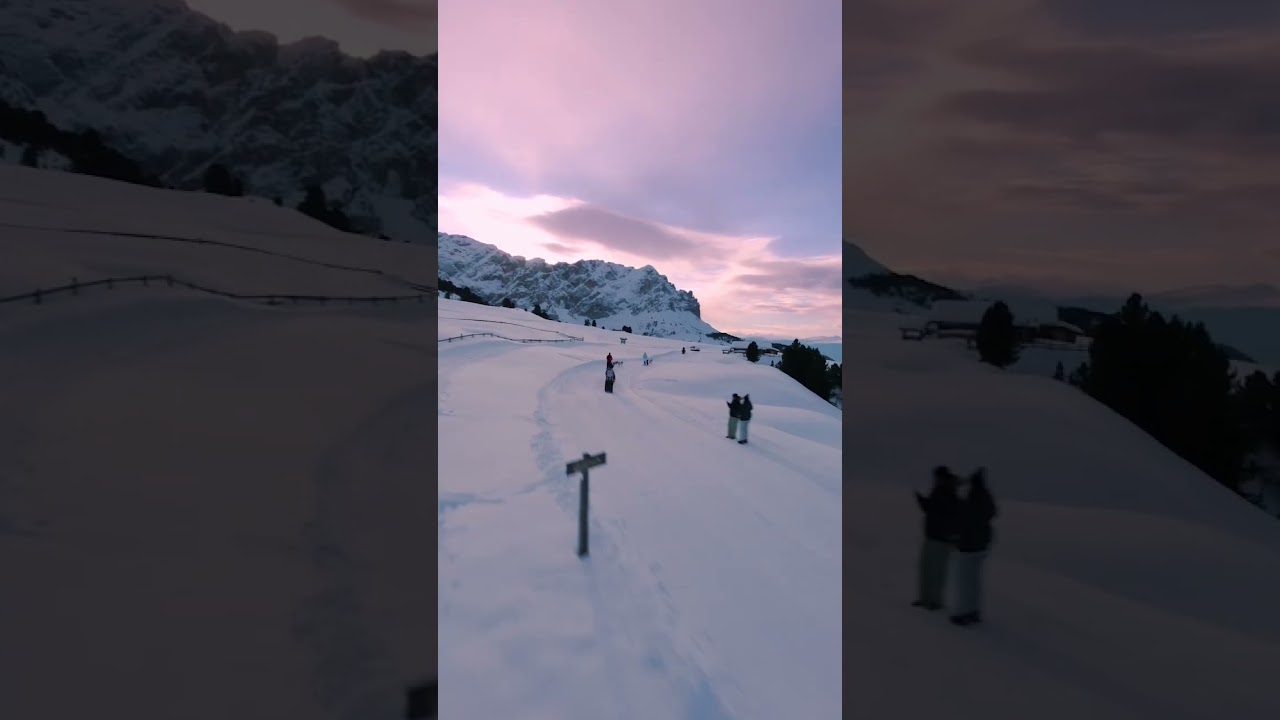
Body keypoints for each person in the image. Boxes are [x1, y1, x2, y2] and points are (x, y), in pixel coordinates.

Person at [951, 468, 997, 626]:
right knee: (975, 581)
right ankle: (974, 611)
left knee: (964, 582)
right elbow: (992, 512)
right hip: (982, 545)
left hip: (967, 546)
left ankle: (962, 613)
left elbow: (960, 517)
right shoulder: (986, 496)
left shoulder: (970, 497)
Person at [912, 467, 959, 611]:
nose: (935, 479)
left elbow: (945, 513)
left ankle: (935, 601)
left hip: (942, 539)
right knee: (926, 568)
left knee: (937, 572)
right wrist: (922, 501)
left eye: (937, 476)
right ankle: (925, 598)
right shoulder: (940, 490)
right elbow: (931, 508)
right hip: (932, 536)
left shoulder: (949, 493)